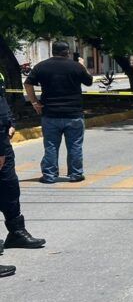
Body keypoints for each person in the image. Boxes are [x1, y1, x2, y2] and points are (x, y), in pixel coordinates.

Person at [24, 42, 94, 184]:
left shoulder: (41, 66)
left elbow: (27, 83)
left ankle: (49, 176)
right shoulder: (76, 66)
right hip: (74, 114)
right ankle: (76, 174)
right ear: (67, 52)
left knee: (50, 145)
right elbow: (89, 81)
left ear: (52, 51)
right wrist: (82, 65)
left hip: (50, 114)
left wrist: (34, 102)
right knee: (75, 145)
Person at [0, 68, 47, 276]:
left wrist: (10, 122)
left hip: (3, 140)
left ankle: (16, 232)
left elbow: (2, 102)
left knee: (9, 189)